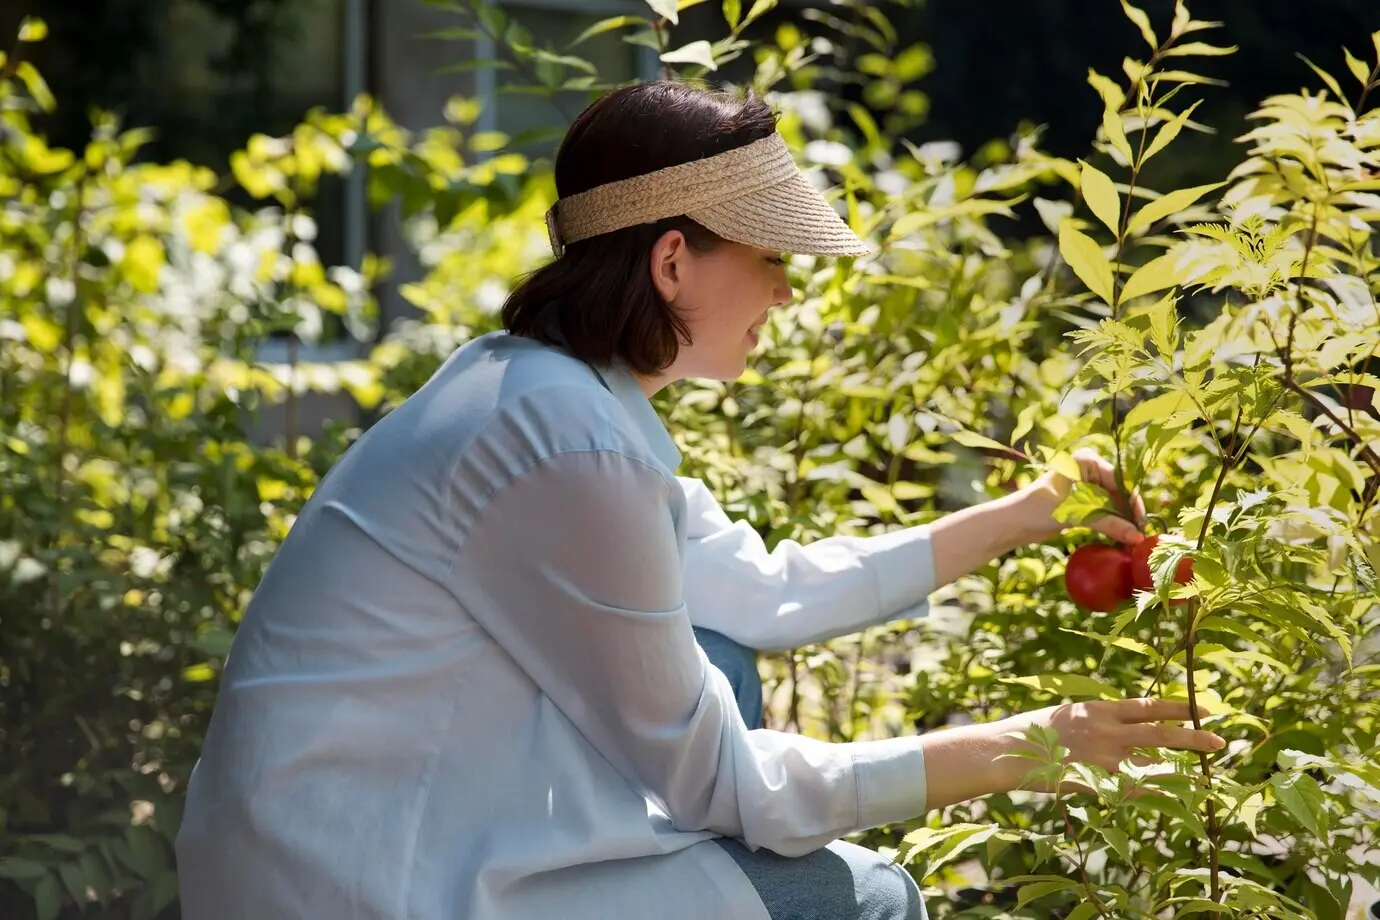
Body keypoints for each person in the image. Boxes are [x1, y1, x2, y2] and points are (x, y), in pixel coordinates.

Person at [175, 80, 1226, 920]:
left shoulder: (549, 394)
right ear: (673, 259)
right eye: (770, 258)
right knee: (863, 898)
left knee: (724, 652)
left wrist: (1025, 513)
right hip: (365, 881)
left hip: (361, 830)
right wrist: (1035, 744)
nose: (784, 289)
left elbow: (764, 592)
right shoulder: (566, 444)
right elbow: (721, 783)